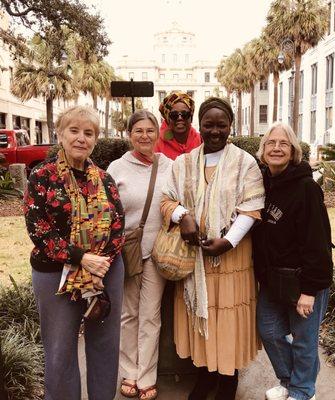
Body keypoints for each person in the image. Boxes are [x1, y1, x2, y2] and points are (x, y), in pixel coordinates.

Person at [160, 97, 265, 400]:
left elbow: (251, 208)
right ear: (200, 126)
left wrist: (228, 241)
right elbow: (167, 199)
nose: (215, 131)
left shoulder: (245, 162)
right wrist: (185, 217)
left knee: (228, 319)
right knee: (203, 319)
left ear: (230, 125)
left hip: (232, 259)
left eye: (222, 125)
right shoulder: (184, 162)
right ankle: (205, 379)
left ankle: (227, 382)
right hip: (197, 261)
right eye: (209, 124)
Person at [24, 105, 125, 400]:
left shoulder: (104, 179)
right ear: (60, 134)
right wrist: (82, 258)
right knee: (60, 348)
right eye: (74, 130)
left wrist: (102, 260)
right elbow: (39, 229)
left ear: (95, 138)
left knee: (105, 343)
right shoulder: (42, 177)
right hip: (55, 271)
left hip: (105, 269)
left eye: (89, 132)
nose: (81, 138)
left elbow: (118, 223)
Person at [252, 122, 333, 400]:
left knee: (304, 341)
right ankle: (290, 381)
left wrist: (309, 291)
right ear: (262, 151)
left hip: (303, 279)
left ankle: (302, 391)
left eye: (283, 144)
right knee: (269, 331)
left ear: (293, 151)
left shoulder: (306, 188)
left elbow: (318, 242)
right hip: (274, 279)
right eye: (271, 143)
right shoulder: (263, 183)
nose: (276, 148)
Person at [107, 110, 172, 400]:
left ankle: (147, 375)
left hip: (158, 252)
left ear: (158, 133)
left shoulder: (170, 166)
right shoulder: (117, 168)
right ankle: (129, 373)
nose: (144, 136)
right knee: (128, 313)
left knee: (150, 315)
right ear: (129, 134)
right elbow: (106, 213)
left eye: (150, 130)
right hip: (127, 251)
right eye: (138, 131)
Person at [155, 90, 202, 160]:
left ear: (191, 117)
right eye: (174, 115)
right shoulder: (156, 144)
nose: (180, 118)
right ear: (168, 119)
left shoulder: (201, 141)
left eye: (185, 114)